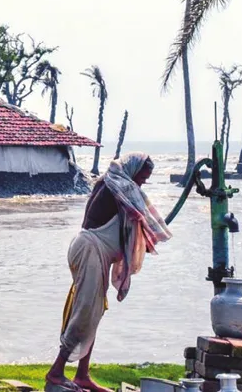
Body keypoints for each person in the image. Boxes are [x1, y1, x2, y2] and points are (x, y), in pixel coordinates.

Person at [44, 153, 171, 392]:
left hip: (90, 251)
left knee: (95, 312)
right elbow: (142, 216)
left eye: (145, 180)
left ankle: (82, 374)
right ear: (132, 172)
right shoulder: (118, 185)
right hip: (90, 251)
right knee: (84, 312)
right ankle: (56, 371)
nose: (141, 184)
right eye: (141, 179)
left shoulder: (113, 183)